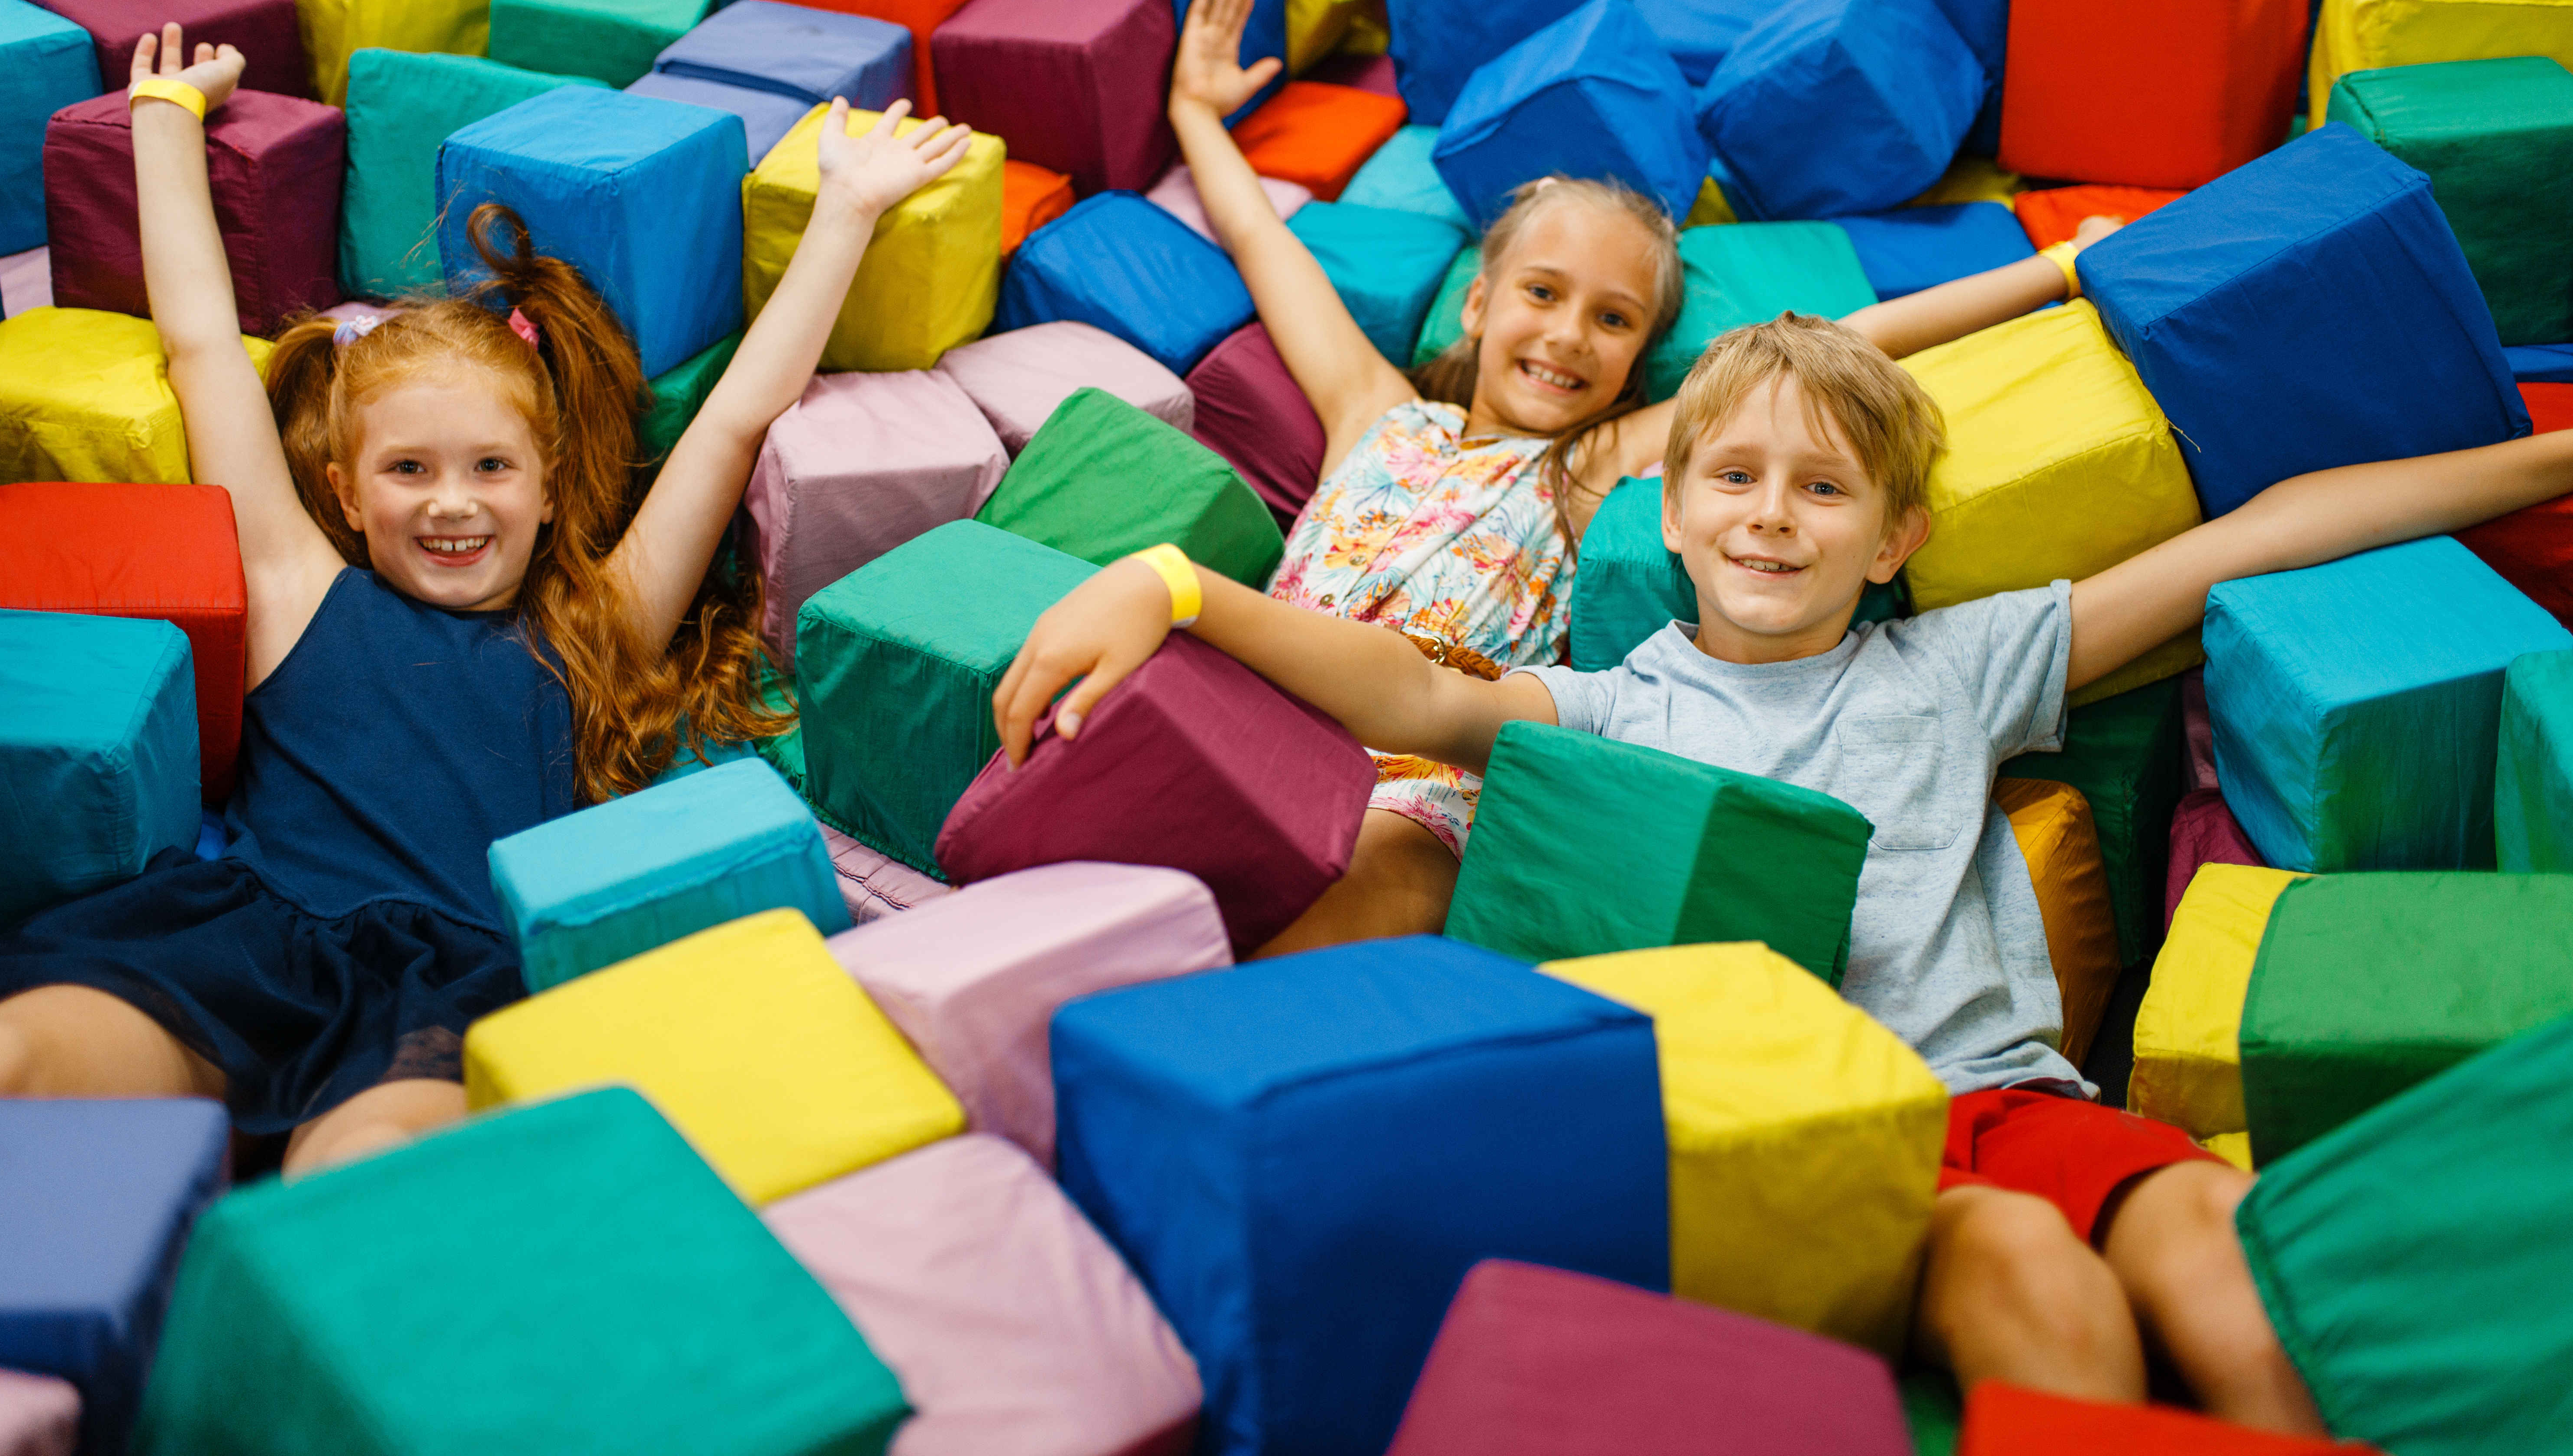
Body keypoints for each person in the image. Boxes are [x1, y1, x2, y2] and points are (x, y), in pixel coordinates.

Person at [990, 309, 2573, 1429]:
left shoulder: (1956, 664)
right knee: (2026, 1269)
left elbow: (2256, 535)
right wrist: (1178, 583)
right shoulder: (1612, 709)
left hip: (2002, 1094)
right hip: (1808, 1134)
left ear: (1891, 540)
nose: (1772, 516)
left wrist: (2539, 461)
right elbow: (1410, 695)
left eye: (1823, 489)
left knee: (2213, 1235)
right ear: (1672, 516)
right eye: (1735, 479)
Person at [0, 26, 971, 1176]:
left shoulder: (595, 628)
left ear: (548, 489)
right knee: (0, 1061)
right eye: (409, 470)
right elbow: (201, 349)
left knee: (364, 1169)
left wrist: (847, 208)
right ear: (347, 496)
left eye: (491, 467)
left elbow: (736, 417)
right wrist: (164, 117)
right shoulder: (297, 589)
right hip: (246, 942)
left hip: (445, 986)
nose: (451, 502)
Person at [1171, 0, 2123, 952]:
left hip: (1420, 778)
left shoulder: (1591, 463)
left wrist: (2057, 270)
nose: (1568, 335)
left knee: (1369, 878)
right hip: (1260, 697)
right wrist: (1195, 109)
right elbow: (1261, 241)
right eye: (1542, 293)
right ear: (1478, 304)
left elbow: (1860, 336)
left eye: (1613, 319)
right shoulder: (1375, 408)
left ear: (1638, 363)